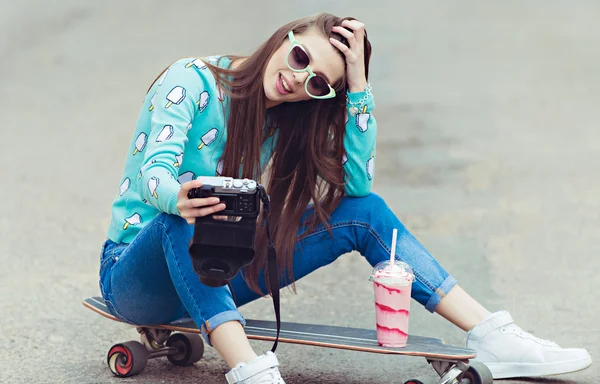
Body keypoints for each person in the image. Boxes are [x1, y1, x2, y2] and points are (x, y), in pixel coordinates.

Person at [99, 12, 591, 384]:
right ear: (285, 37)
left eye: (316, 83)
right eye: (300, 57)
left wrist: (356, 87)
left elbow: (356, 187)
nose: (298, 78)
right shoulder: (192, 80)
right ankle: (251, 370)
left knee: (365, 212)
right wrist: (178, 199)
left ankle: (492, 334)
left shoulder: (284, 116)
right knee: (189, 218)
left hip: (224, 268)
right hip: (136, 273)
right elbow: (152, 173)